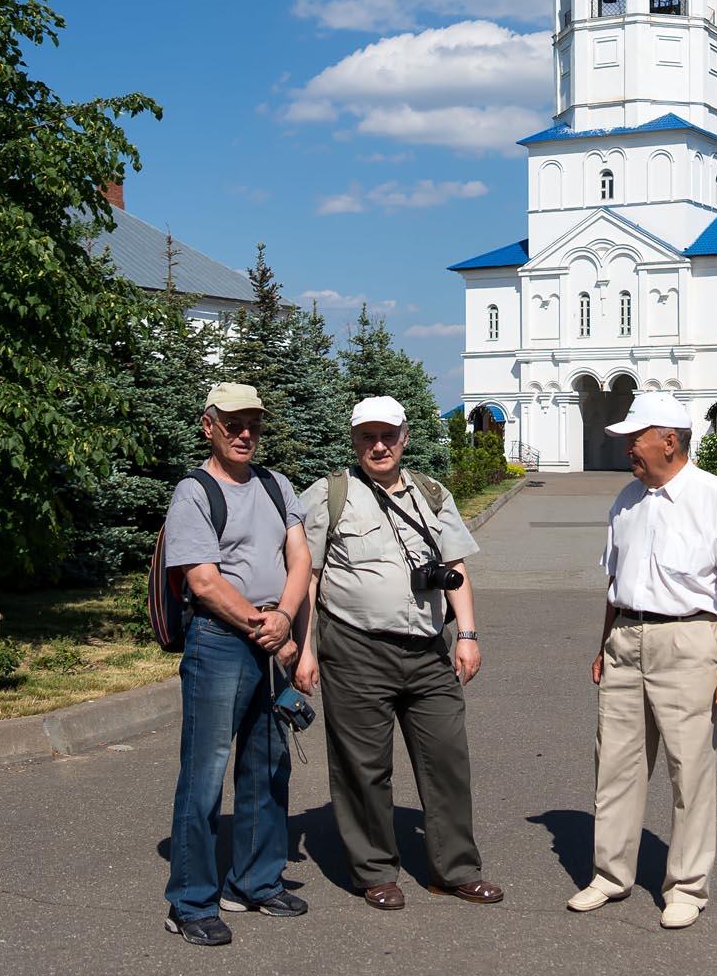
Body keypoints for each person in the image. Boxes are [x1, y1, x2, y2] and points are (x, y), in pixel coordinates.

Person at [295, 396, 504, 911]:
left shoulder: (431, 493)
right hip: (356, 649)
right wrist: (304, 650)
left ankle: (455, 870)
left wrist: (468, 634)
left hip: (428, 650)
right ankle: (375, 871)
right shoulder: (328, 495)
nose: (379, 446)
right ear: (354, 441)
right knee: (363, 767)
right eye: (368, 437)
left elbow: (455, 567)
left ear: (404, 438)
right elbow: (308, 578)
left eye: (388, 435)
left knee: (447, 759)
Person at [568, 391, 717, 931]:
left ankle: (687, 886)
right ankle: (610, 875)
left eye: (636, 437)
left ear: (669, 441)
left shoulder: (715, 498)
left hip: (689, 641)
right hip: (626, 639)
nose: (627, 447)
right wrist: (604, 643)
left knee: (688, 769)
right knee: (615, 764)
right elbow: (614, 581)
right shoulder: (626, 499)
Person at [162, 382, 313, 947]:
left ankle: (254, 882)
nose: (245, 433)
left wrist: (286, 619)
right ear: (209, 427)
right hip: (220, 642)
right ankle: (191, 902)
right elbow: (203, 581)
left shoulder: (276, 485)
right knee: (204, 776)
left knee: (268, 766)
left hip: (270, 638)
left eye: (253, 423)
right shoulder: (194, 493)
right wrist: (264, 627)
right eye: (233, 424)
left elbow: (300, 558)